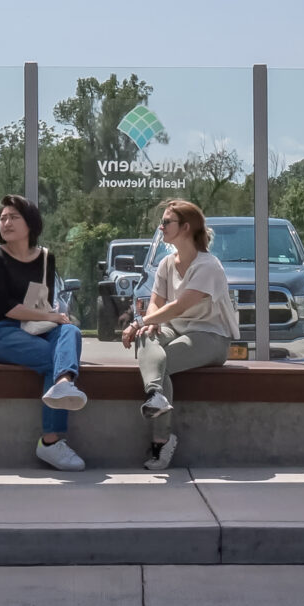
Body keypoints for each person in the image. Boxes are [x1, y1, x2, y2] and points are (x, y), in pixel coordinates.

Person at [121, 199, 234, 471]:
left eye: (166, 222)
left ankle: (162, 439)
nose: (161, 228)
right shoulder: (166, 263)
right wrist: (149, 324)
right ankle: (155, 395)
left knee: (162, 360)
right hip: (175, 329)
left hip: (210, 336)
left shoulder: (209, 265)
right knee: (148, 339)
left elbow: (180, 305)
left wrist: (138, 323)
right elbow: (156, 302)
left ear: (185, 227)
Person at [0, 193, 88, 470]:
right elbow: (1, 308)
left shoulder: (45, 258)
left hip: (37, 327)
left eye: (14, 216)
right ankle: (51, 442)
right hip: (1, 331)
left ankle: (63, 383)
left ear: (30, 223)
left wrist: (53, 317)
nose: (6, 222)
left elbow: (44, 300)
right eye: (2, 218)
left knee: (71, 332)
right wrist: (50, 316)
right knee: (57, 357)